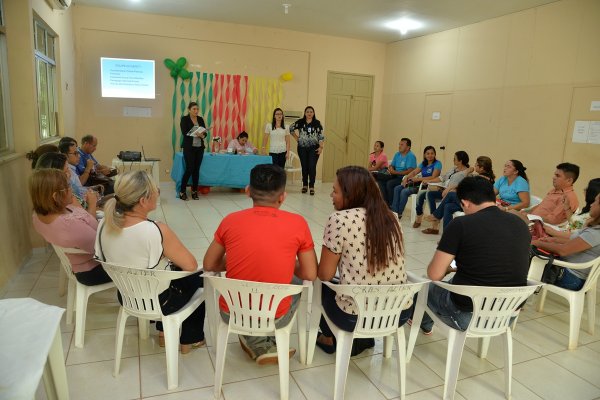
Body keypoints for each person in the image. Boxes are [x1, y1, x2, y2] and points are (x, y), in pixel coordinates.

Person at [203, 164, 318, 365]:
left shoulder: (230, 221)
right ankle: (263, 338)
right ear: (282, 196)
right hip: (275, 315)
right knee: (297, 279)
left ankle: (253, 337)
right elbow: (310, 273)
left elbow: (209, 264)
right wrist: (284, 262)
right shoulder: (298, 223)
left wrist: (240, 259)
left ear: (248, 191)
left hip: (231, 312)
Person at [95, 171, 205, 353]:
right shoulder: (156, 229)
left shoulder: (103, 225)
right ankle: (190, 339)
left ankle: (163, 332)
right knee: (200, 276)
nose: (159, 192)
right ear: (143, 201)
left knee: (165, 272)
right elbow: (191, 265)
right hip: (160, 301)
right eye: (156, 190)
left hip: (126, 296)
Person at [412, 176, 530, 334]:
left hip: (467, 316)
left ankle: (423, 323)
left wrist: (446, 268)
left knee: (425, 287)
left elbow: (434, 274)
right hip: (507, 316)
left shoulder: (460, 224)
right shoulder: (520, 224)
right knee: (457, 280)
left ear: (465, 203)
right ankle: (425, 322)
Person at [315, 166, 410, 356]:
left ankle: (328, 336)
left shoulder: (339, 219)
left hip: (354, 317)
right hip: (397, 312)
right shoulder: (391, 216)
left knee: (322, 284)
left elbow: (325, 274)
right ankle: (363, 339)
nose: (330, 195)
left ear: (351, 194)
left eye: (335, 191)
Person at [30, 169, 109, 286]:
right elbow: (102, 248)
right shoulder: (69, 225)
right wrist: (92, 204)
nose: (71, 189)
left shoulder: (38, 215)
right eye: (68, 186)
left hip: (79, 264)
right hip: (93, 269)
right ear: (56, 196)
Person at [532, 193, 600, 291]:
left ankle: (522, 301)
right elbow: (573, 240)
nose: (592, 204)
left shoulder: (596, 233)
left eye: (596, 202)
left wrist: (536, 243)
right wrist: (552, 240)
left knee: (529, 259)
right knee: (532, 254)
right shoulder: (595, 229)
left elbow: (563, 251)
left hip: (571, 277)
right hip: (567, 269)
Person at [426, 155, 495, 230]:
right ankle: (448, 237)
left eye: (476, 164)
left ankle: (436, 216)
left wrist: (452, 188)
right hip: (471, 202)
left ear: (482, 168)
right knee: (448, 207)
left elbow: (464, 187)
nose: (474, 165)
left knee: (450, 194)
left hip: (475, 205)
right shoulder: (482, 177)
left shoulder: (483, 178)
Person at [419, 151, 470, 234]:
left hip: (454, 195)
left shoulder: (466, 173)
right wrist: (429, 181)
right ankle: (435, 218)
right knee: (430, 194)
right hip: (445, 191)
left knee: (447, 205)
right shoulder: (453, 169)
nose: (453, 160)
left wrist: (450, 189)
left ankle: (436, 218)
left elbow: (463, 187)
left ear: (460, 161)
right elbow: (443, 178)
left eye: (455, 159)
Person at [514, 163, 579, 226]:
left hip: (540, 226)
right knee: (510, 213)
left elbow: (553, 220)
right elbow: (541, 206)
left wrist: (530, 217)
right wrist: (526, 212)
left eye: (558, 176)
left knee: (510, 214)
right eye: (555, 175)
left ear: (569, 181)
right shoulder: (553, 190)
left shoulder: (568, 197)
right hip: (531, 220)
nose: (553, 177)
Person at [35, 152, 98, 216]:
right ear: (54, 175)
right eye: (66, 170)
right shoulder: (64, 197)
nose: (70, 174)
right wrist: (92, 203)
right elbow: (90, 222)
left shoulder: (46, 201)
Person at [390, 145, 442, 218]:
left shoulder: (437, 163)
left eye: (432, 153)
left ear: (435, 154)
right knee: (397, 188)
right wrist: (407, 177)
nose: (430, 155)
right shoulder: (423, 163)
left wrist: (418, 179)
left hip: (426, 186)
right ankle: (394, 212)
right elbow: (414, 172)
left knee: (404, 191)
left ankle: (399, 213)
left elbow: (433, 177)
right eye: (428, 153)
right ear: (424, 155)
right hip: (418, 184)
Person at [289, 106, 325, 195]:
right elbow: (291, 128)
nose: (309, 113)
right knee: (304, 166)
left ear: (313, 113)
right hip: (302, 148)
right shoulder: (300, 122)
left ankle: (311, 186)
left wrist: (321, 147)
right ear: (305, 113)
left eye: (311, 112)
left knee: (312, 166)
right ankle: (305, 185)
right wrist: (297, 138)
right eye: (307, 112)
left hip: (314, 148)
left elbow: (321, 136)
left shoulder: (317, 123)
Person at [374, 138, 417, 206]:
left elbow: (410, 171)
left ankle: (391, 205)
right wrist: (391, 168)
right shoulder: (397, 154)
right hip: (394, 175)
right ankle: (386, 204)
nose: (399, 146)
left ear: (408, 147)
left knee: (390, 183)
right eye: (399, 144)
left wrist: (395, 172)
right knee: (380, 181)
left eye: (402, 145)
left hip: (404, 178)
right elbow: (392, 165)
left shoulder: (411, 156)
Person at [179, 102, 206, 201]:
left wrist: (203, 135)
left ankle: (194, 191)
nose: (196, 111)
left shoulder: (200, 119)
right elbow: (185, 132)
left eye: (197, 109)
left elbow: (204, 132)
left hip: (199, 148)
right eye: (194, 109)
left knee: (196, 170)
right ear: (189, 109)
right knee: (189, 168)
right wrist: (197, 133)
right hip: (189, 148)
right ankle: (182, 191)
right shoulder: (184, 119)